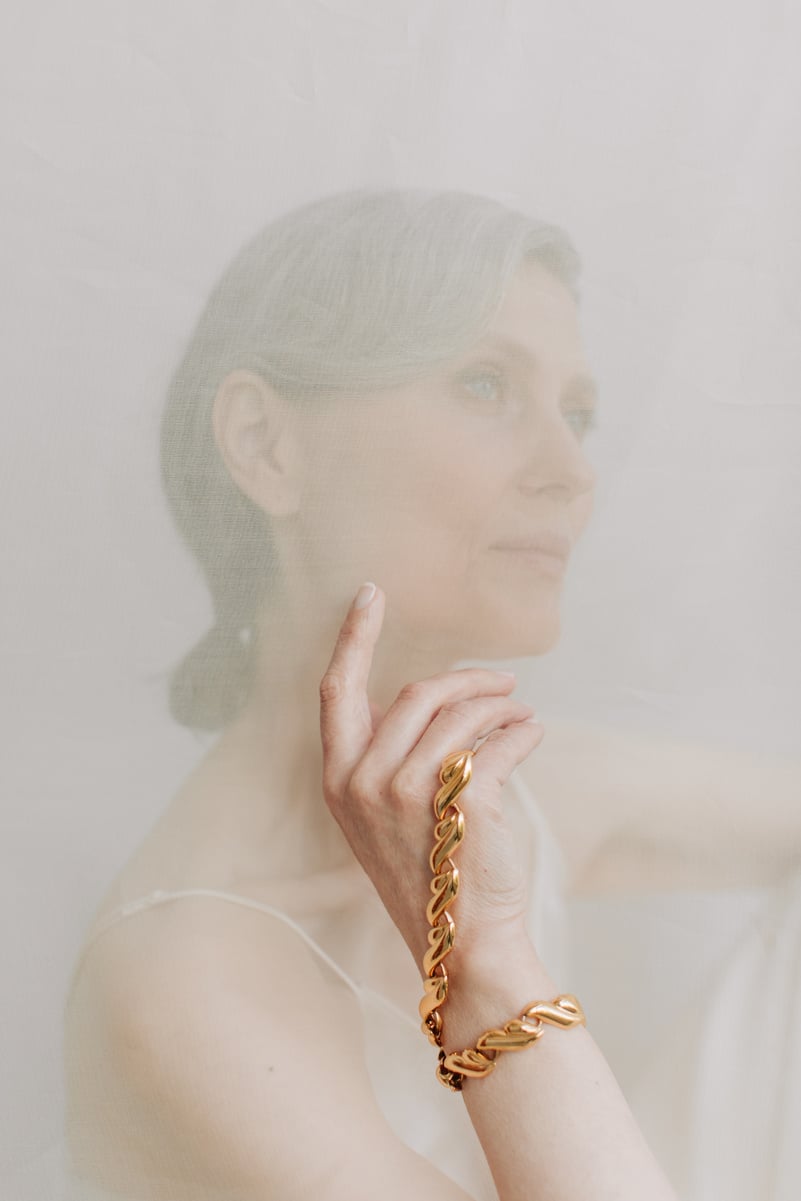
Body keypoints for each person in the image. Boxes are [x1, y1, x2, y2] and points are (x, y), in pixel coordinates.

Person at [62, 189, 681, 1200]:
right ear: (267, 444)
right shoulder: (184, 986)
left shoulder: (516, 786)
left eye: (578, 414)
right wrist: (480, 958)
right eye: (486, 385)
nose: (574, 472)